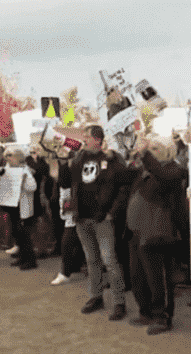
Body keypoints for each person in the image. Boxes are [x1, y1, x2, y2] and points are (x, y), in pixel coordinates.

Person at [58, 124, 132, 321]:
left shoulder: (111, 158)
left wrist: (112, 212)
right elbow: (65, 182)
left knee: (109, 260)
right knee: (92, 260)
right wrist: (64, 161)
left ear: (97, 140)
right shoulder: (79, 158)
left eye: (86, 136)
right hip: (82, 217)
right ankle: (96, 296)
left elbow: (123, 186)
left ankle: (119, 302)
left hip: (102, 218)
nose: (83, 139)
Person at [126, 135, 186, 336]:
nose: (150, 152)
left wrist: (145, 155)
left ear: (167, 151)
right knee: (137, 275)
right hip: (138, 231)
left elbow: (162, 176)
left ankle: (162, 316)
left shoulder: (173, 170)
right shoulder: (147, 170)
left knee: (158, 277)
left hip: (158, 234)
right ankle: (146, 311)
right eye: (150, 148)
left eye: (155, 148)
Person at [3, 147, 39, 271]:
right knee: (17, 234)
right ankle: (22, 258)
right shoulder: (9, 168)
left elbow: (32, 186)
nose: (9, 158)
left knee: (24, 236)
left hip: (22, 207)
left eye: (11, 156)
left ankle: (30, 260)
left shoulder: (24, 170)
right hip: (13, 206)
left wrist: (22, 182)